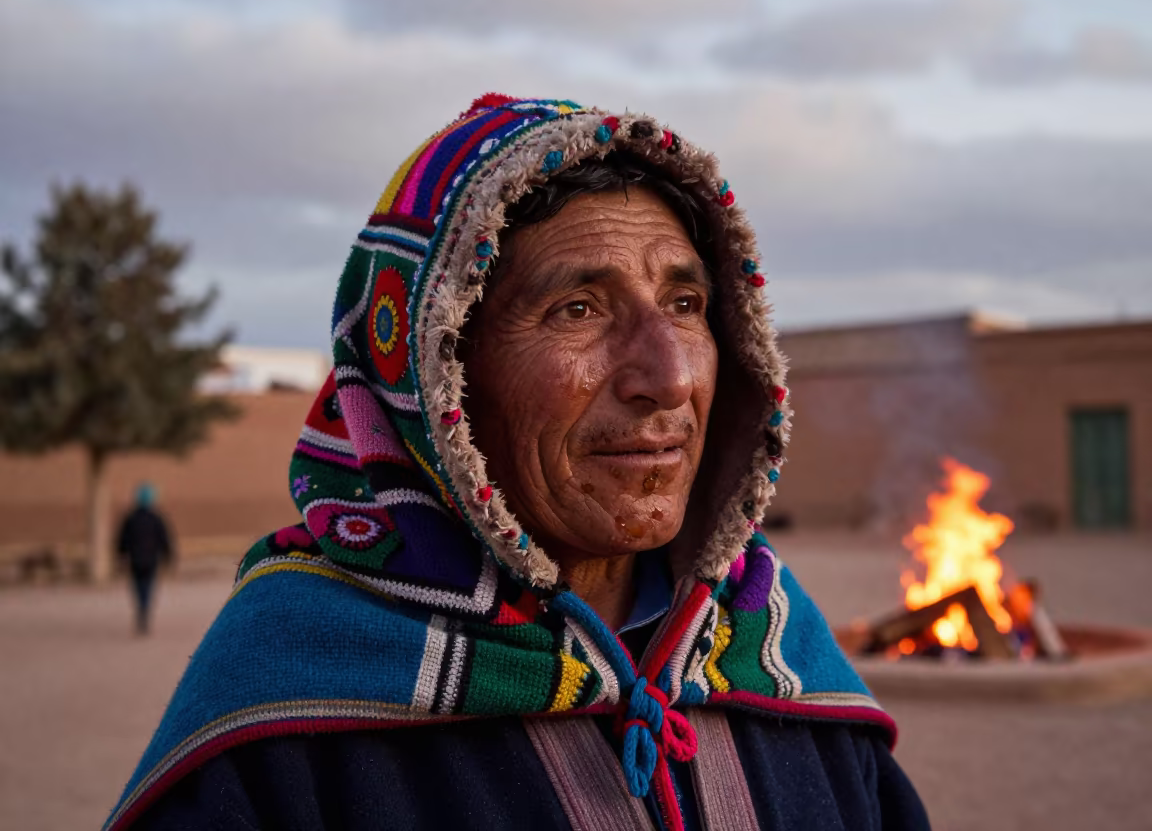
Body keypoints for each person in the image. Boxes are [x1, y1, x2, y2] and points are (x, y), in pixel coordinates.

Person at [105, 95, 930, 830]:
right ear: (437, 379)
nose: (670, 376)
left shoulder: (775, 647)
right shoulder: (285, 711)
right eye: (577, 309)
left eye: (685, 304)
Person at [116, 482, 172, 635]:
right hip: (151, 560)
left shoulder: (131, 518)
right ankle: (144, 609)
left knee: (138, 586)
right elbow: (165, 539)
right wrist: (168, 556)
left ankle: (142, 609)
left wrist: (121, 556)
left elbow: (122, 540)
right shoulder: (156, 518)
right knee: (147, 586)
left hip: (135, 560)